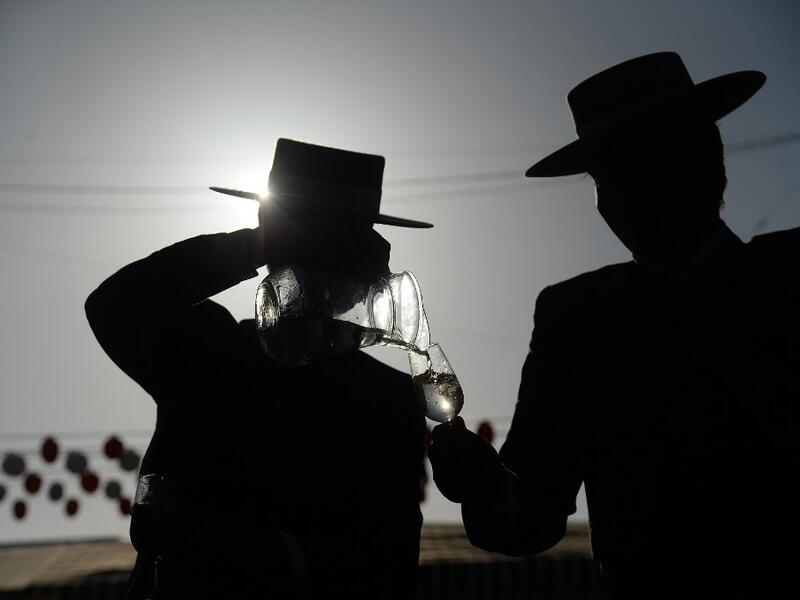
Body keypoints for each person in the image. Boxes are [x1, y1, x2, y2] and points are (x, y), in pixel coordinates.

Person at [428, 52, 800, 599]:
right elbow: (530, 517)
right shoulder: (576, 317)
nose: (617, 198)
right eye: (606, 175)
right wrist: (482, 485)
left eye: (640, 164)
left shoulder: (785, 278)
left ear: (705, 158)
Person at [85, 139, 431, 599]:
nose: (320, 275)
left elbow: (389, 566)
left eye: (336, 255)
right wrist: (253, 245)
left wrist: (266, 553)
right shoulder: (208, 348)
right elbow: (116, 305)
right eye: (302, 248)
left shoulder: (387, 400)